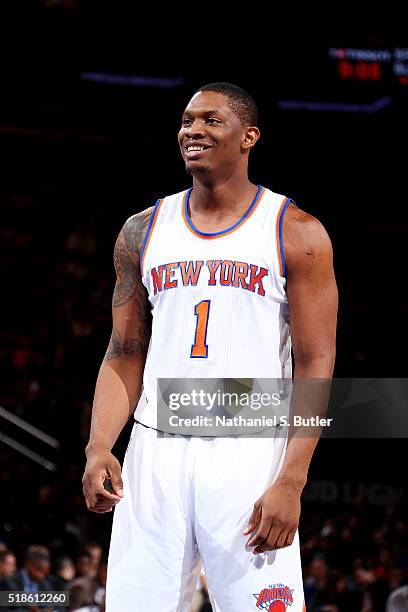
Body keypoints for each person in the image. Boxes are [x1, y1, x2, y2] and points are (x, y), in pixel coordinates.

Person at [82, 82, 338, 611]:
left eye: (210, 120)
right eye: (186, 121)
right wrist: (100, 443)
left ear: (249, 137)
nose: (192, 130)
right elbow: (124, 350)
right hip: (154, 449)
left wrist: (292, 478)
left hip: (249, 450)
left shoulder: (297, 232)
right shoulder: (141, 231)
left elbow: (317, 360)